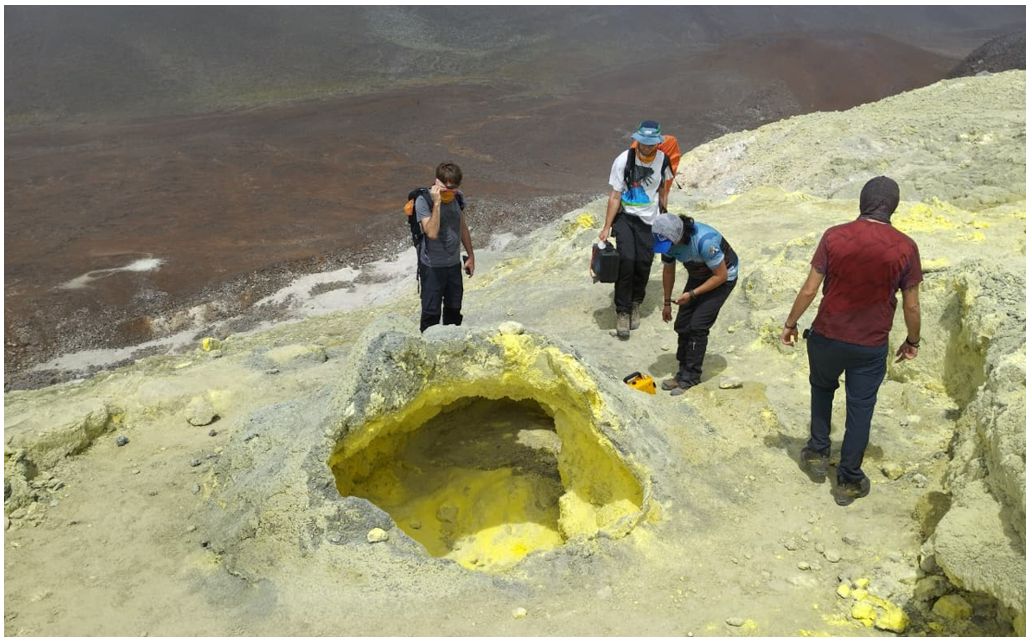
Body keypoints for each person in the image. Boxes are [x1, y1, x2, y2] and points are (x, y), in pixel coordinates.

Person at [780, 176, 922, 506]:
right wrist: (913, 340)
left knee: (821, 389)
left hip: (826, 336)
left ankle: (816, 454)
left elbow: (810, 289)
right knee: (861, 408)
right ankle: (848, 480)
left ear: (862, 201)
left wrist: (790, 323)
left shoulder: (834, 236)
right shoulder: (905, 247)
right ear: (893, 206)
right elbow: (912, 304)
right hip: (869, 345)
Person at [599, 120, 675, 339]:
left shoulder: (663, 160)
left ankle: (635, 304)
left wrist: (663, 216)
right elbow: (614, 196)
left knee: (644, 262)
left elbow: (663, 189)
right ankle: (622, 311)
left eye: (651, 143)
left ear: (658, 143)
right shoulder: (623, 160)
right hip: (626, 217)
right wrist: (606, 227)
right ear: (637, 140)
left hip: (650, 220)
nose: (646, 147)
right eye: (643, 142)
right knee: (627, 260)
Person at [652, 212, 739, 395]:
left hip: (722, 278)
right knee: (682, 324)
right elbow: (669, 271)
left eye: (668, 244)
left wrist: (692, 294)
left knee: (698, 325)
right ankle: (682, 372)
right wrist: (667, 303)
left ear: (679, 236)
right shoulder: (668, 244)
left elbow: (721, 276)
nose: (666, 248)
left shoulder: (705, 241)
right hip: (699, 274)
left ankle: (691, 377)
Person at [415, 161, 475, 332]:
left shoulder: (458, 197)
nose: (449, 192)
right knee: (431, 314)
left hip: (453, 266)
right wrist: (437, 203)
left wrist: (471, 256)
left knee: (454, 310)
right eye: (445, 188)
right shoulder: (423, 201)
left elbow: (462, 227)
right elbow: (431, 233)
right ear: (436, 182)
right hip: (432, 268)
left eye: (453, 188)